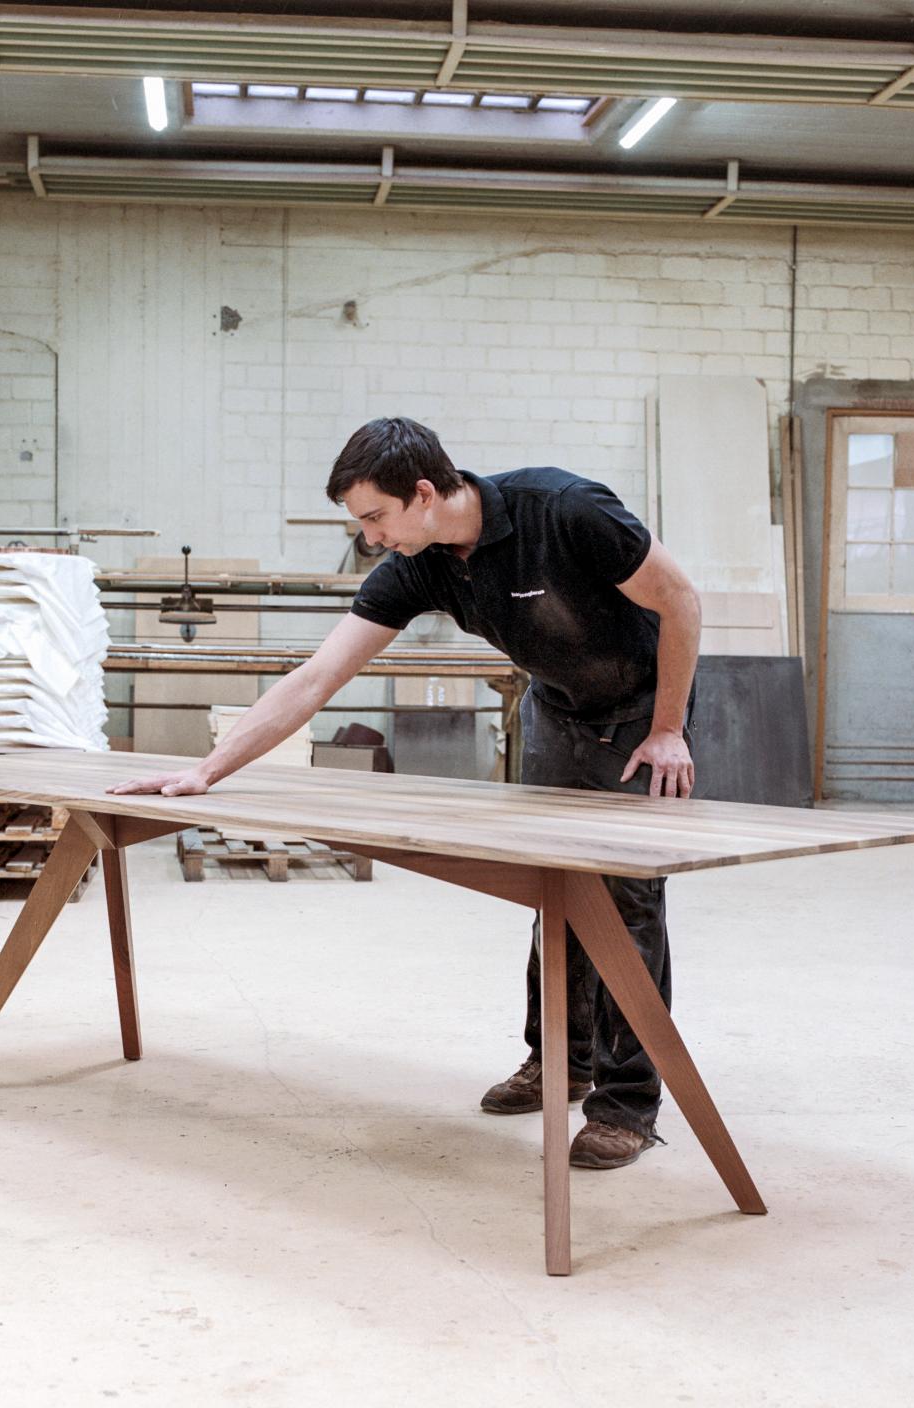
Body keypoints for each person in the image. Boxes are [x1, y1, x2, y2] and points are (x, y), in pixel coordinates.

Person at [110, 417, 702, 1170]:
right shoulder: (420, 565)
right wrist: (207, 770)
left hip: (646, 715)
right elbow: (317, 678)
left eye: (374, 517)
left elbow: (681, 600)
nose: (370, 538)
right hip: (556, 710)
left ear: (423, 494)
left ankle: (626, 1105)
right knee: (556, 890)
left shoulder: (564, 510)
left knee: (627, 900)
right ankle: (559, 1061)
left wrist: (670, 727)